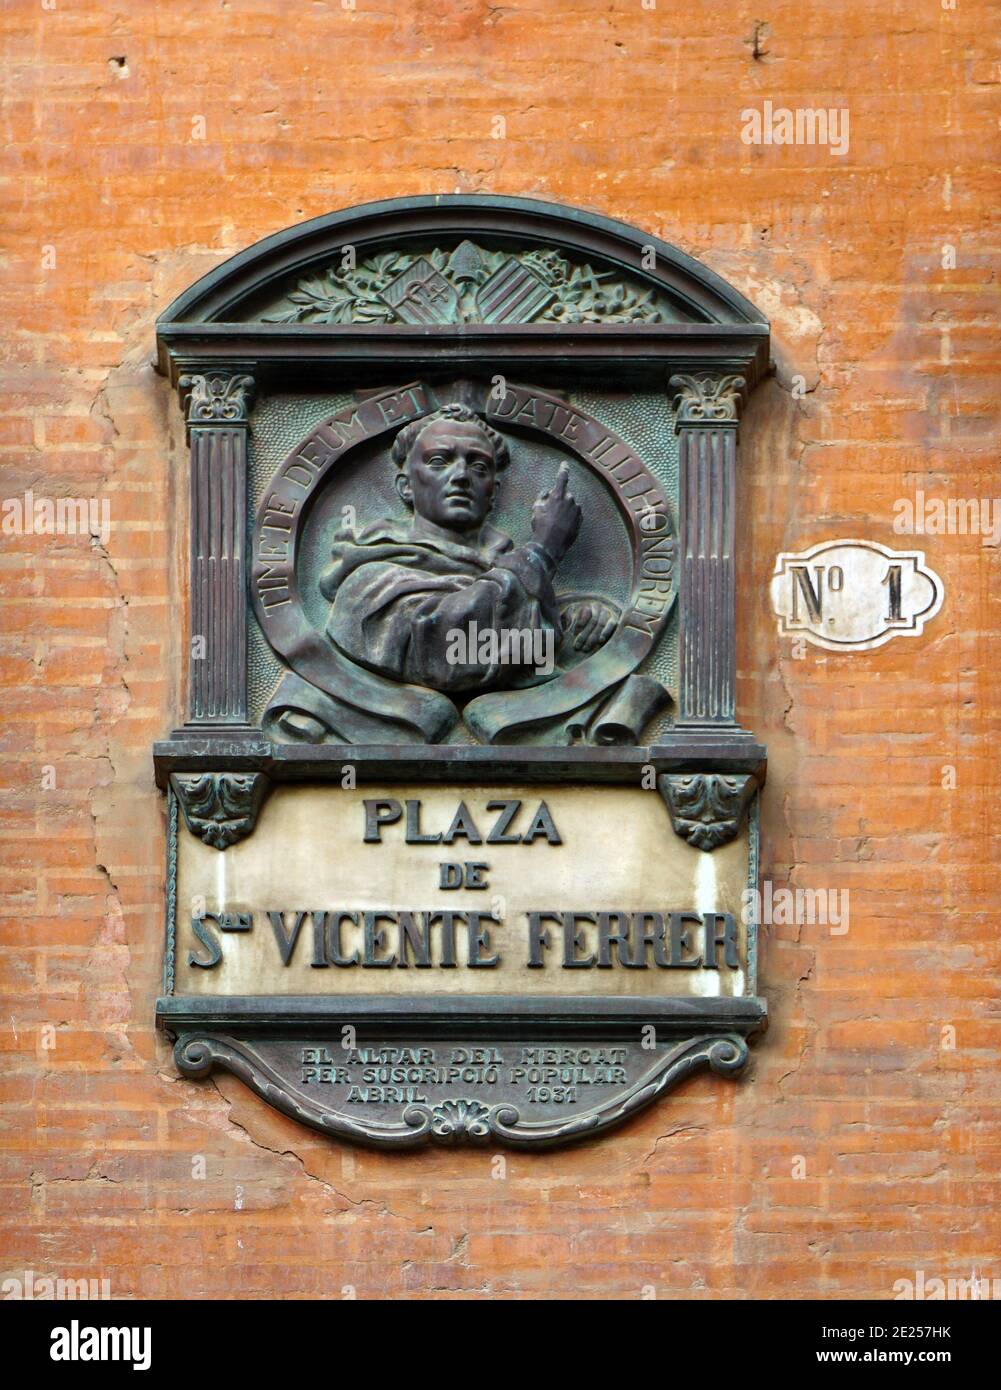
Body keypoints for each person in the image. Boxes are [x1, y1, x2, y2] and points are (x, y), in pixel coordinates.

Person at [321, 403, 616, 692]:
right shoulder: (368, 581)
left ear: (493, 492)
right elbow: (456, 653)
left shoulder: (511, 575)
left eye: (478, 466)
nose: (461, 476)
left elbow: (517, 624)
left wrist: (580, 620)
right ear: (406, 487)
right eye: (439, 461)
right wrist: (542, 550)